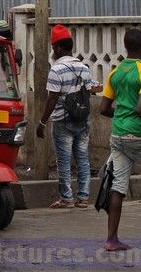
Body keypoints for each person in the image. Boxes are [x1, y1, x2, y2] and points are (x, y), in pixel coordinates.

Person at [99, 29, 141, 251]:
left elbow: (104, 108)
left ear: (126, 47)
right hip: (139, 136)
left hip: (117, 136)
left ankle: (111, 239)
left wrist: (121, 116)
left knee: (118, 185)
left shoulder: (115, 73)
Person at [35, 24, 92, 209]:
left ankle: (67, 199)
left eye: (53, 48)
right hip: (82, 120)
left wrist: (42, 122)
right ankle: (83, 198)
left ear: (58, 48)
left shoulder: (56, 70)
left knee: (64, 161)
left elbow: (52, 98)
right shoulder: (84, 68)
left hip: (62, 121)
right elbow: (88, 93)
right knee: (82, 158)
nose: (53, 51)